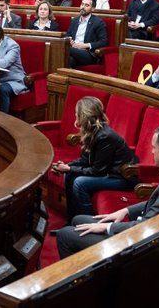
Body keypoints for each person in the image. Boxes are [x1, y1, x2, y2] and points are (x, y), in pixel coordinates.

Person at [56, 124, 159, 259]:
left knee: (65, 235)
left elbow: (147, 227)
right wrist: (125, 211)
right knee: (78, 220)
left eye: (154, 147)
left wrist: (108, 227)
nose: (152, 152)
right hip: (146, 228)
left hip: (139, 245)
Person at [51, 96, 139, 224]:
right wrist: (65, 166)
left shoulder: (104, 136)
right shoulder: (92, 131)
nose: (75, 116)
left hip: (123, 178)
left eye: (77, 114)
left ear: (83, 116)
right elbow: (84, 159)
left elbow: (97, 171)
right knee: (70, 176)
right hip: (110, 172)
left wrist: (69, 168)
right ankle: (71, 223)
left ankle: (87, 224)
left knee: (80, 182)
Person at [66, 0, 108, 68]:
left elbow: (104, 41)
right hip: (74, 50)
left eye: (87, 5)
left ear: (93, 9)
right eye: (82, 4)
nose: (83, 7)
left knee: (64, 49)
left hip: (88, 53)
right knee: (69, 60)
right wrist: (70, 40)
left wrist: (85, 45)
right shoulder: (74, 20)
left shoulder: (98, 22)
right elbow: (68, 35)